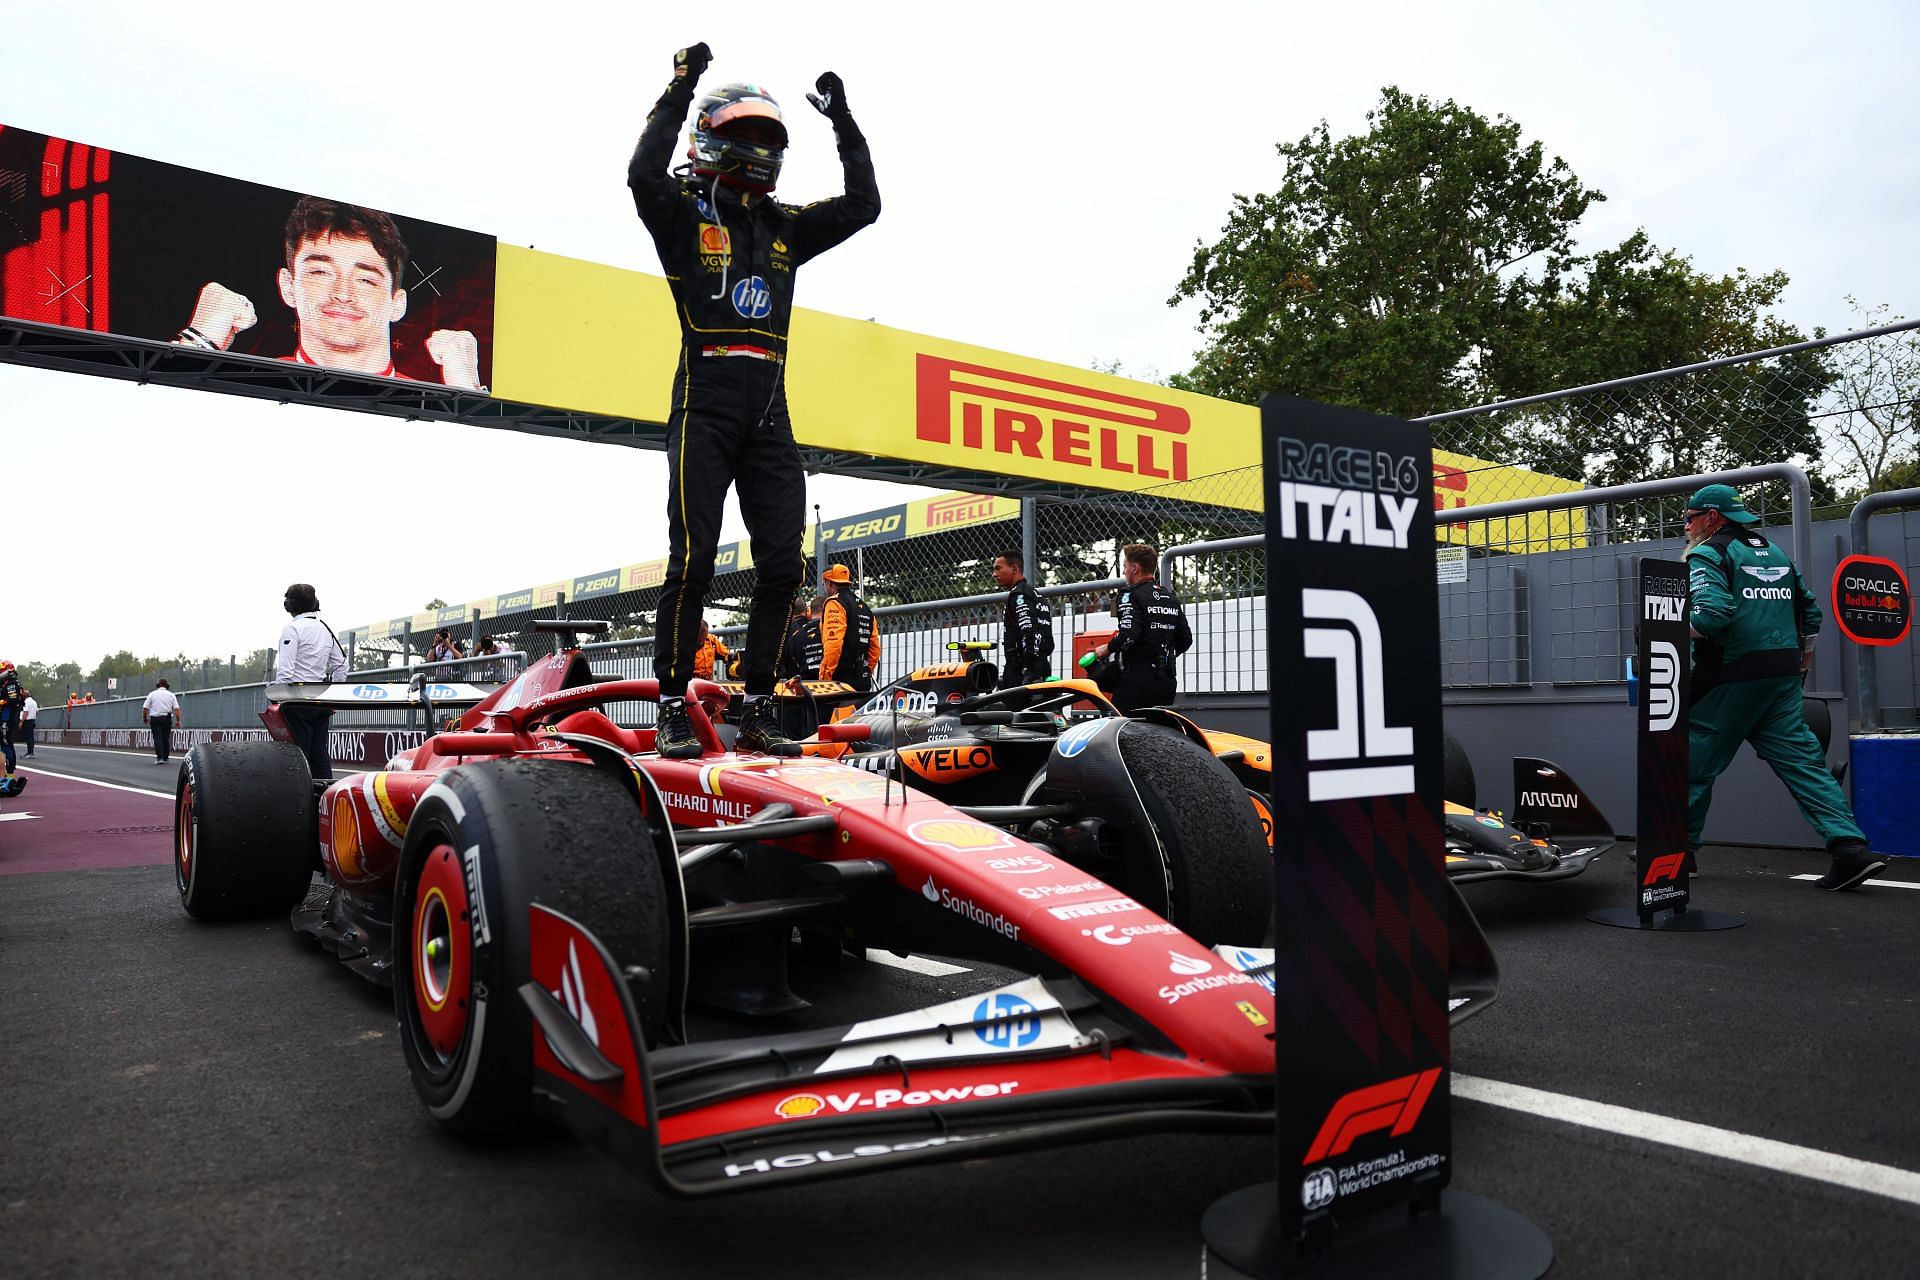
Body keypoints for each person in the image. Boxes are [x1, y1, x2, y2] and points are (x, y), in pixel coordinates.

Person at [629, 42, 881, 758]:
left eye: (767, 139)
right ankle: (673, 704)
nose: (756, 150)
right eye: (743, 136)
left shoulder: (785, 227)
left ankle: (759, 706)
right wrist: (681, 83)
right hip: (703, 403)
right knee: (693, 561)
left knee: (783, 566)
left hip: (770, 410)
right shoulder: (679, 212)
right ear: (711, 138)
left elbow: (865, 205)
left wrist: (846, 124)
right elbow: (641, 171)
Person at [1682, 484, 1887, 891]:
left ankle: (1675, 850)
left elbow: (1712, 618)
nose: (1685, 526)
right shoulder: (1775, 553)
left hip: (1730, 676)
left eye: (1689, 518)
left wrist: (1664, 631)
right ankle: (1850, 850)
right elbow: (1811, 614)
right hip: (1780, 678)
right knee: (1803, 764)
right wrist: (1800, 670)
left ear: (1710, 517)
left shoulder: (1708, 553)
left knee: (1689, 758)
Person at [173, 197, 482, 389]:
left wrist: (466, 393)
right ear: (288, 286)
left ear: (396, 303)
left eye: (365, 280)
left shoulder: (428, 406)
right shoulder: (246, 384)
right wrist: (197, 345)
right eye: (321, 272)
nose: (342, 293)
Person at [1093, 544, 1193, 714]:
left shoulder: (1129, 595)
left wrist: (1107, 649)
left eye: (1125, 567)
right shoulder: (1170, 597)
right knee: (1160, 733)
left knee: (1123, 730)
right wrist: (1162, 655)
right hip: (1166, 681)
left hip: (1136, 681)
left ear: (1135, 568)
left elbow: (1129, 635)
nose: (1124, 571)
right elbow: (1185, 639)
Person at [276, 582, 349, 780]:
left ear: (289, 605)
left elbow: (285, 672)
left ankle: (298, 805)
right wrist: (334, 697)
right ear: (315, 603)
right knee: (320, 756)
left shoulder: (292, 630)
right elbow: (342, 665)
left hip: (297, 702)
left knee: (297, 757)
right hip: (320, 701)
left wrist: (279, 701)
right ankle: (324, 802)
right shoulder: (324, 629)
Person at [992, 548, 1054, 689]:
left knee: (1017, 709)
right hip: (1041, 664)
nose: (994, 574)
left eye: (998, 569)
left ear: (1014, 569)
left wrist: (1027, 667)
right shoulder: (1035, 593)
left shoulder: (1019, 594)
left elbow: (1028, 627)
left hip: (1023, 668)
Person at [819, 564, 880, 692]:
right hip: (862, 682)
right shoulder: (865, 608)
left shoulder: (834, 603)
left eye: (824, 583)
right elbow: (875, 648)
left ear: (829, 582)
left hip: (840, 683)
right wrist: (866, 671)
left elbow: (833, 645)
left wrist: (824, 680)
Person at [780, 597, 826, 682]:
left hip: (799, 682)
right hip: (830, 680)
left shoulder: (790, 634)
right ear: (806, 610)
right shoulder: (831, 629)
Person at [141, 678, 181, 765]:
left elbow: (145, 708)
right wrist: (178, 720)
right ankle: (166, 757)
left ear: (158, 685)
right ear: (167, 685)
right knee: (165, 738)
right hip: (167, 718)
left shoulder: (152, 694)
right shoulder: (171, 695)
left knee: (157, 737)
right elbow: (177, 709)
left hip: (155, 718)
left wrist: (144, 718)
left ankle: (159, 757)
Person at [0, 661, 25, 794]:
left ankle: (9, 777)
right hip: (5, 718)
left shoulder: (11, 684)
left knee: (6, 745)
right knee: (4, 745)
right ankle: (6, 776)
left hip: (7, 719)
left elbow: (13, 701)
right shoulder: (6, 684)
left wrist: (1, 701)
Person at [18, 688, 35, 758]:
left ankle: (30, 752)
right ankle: (31, 751)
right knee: (31, 737)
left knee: (28, 737)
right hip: (32, 720)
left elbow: (25, 712)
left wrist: (21, 721)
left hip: (27, 721)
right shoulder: (34, 702)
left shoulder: (26, 702)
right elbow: (37, 712)